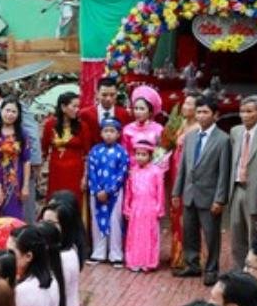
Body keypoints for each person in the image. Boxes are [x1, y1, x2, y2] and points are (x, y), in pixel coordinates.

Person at [172, 96, 232, 286]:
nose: (201, 115)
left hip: (210, 196)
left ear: (216, 115)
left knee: (211, 234)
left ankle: (212, 268)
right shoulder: (190, 136)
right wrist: (176, 192)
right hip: (189, 193)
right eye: (198, 111)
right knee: (189, 232)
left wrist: (220, 199)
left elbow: (224, 172)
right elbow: (182, 166)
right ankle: (192, 264)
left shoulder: (223, 139)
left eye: (205, 112)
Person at [228, 96, 257, 271]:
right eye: (242, 111)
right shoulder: (235, 132)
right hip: (237, 188)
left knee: (252, 233)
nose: (245, 115)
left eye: (249, 111)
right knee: (236, 231)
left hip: (254, 190)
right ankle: (237, 269)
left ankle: (253, 270)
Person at [165, 96, 201, 271]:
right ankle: (177, 254)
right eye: (184, 103)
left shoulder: (197, 129)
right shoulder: (181, 124)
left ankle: (188, 256)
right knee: (175, 213)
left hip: (186, 175)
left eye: (189, 104)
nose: (185, 107)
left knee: (185, 215)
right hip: (175, 172)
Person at [87, 118, 129, 266]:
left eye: (112, 131)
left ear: (118, 134)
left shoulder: (122, 152)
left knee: (115, 221)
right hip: (96, 192)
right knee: (96, 221)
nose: (109, 134)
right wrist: (98, 190)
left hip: (115, 194)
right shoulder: (95, 151)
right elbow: (91, 171)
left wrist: (110, 190)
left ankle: (115, 254)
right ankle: (98, 252)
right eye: (106, 131)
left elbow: (122, 173)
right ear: (101, 133)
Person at [123, 139, 168, 273]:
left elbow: (160, 191)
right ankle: (134, 261)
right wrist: (127, 207)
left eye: (144, 154)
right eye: (138, 154)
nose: (140, 157)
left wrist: (159, 208)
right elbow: (129, 191)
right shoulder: (133, 172)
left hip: (150, 207)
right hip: (136, 207)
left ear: (150, 155)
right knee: (135, 235)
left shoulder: (156, 172)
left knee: (149, 235)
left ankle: (149, 262)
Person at [41, 92, 87, 209]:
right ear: (63, 107)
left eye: (79, 107)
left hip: (76, 172)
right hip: (56, 172)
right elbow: (44, 150)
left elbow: (88, 154)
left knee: (74, 202)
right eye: (74, 106)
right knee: (55, 202)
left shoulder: (83, 126)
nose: (77, 110)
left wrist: (85, 177)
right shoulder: (50, 125)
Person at [0, 98, 31, 220]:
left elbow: (26, 161)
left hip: (15, 184)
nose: (10, 114)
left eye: (14, 111)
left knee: (14, 217)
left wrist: (25, 185)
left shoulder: (22, 134)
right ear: (1, 111)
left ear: (18, 114)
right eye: (7, 110)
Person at [80, 77, 133, 148]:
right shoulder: (85, 114)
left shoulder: (124, 114)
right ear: (97, 94)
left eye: (112, 95)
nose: (108, 99)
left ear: (116, 94)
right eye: (104, 95)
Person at [122, 85, 164, 156]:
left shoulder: (159, 129)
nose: (138, 112)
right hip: (132, 166)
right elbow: (125, 153)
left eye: (142, 109)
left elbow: (161, 154)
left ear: (150, 112)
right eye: (136, 108)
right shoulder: (127, 129)